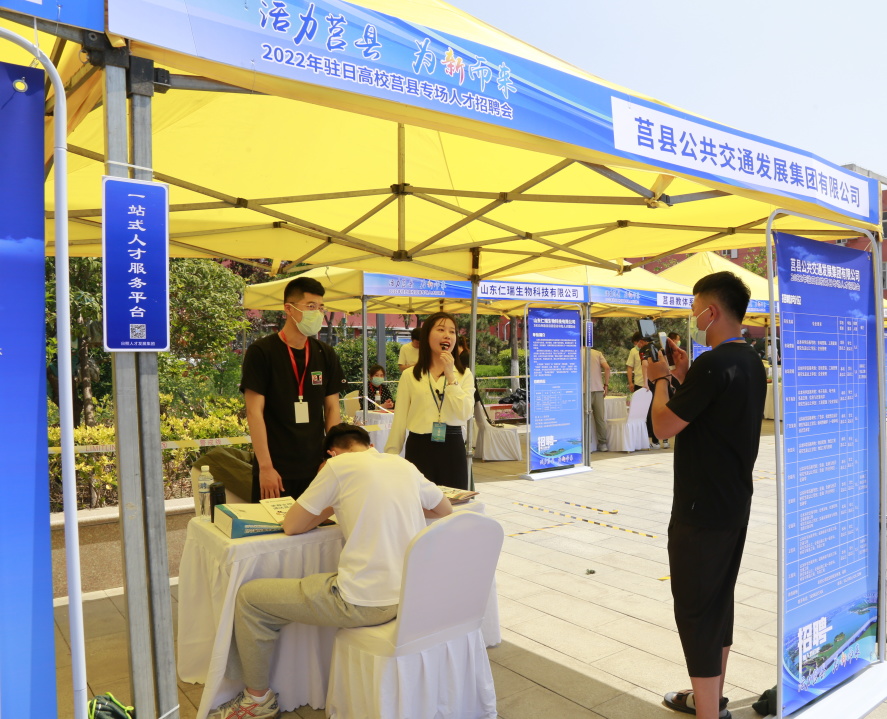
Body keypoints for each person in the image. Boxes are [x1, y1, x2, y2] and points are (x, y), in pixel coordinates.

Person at [207, 424, 452, 719]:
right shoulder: (401, 464)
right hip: (411, 597)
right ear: (370, 445)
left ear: (331, 454)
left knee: (249, 599)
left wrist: (332, 498)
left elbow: (292, 525)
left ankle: (257, 699)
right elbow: (444, 510)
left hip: (365, 602)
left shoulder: (337, 467)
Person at [644, 271, 766, 719]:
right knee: (718, 604)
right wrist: (682, 374)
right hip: (733, 504)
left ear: (711, 311)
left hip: (700, 511)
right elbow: (711, 411)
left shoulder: (712, 365)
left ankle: (708, 712)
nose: (692, 318)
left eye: (695, 309)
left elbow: (663, 426)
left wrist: (660, 380)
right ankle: (709, 700)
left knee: (696, 612)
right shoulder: (750, 361)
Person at [239, 276, 347, 502]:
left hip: (317, 466)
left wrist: (332, 458)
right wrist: (266, 467)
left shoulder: (325, 353)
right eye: (311, 306)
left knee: (320, 524)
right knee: (274, 524)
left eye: (321, 307)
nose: (317, 313)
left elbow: (332, 408)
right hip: (276, 468)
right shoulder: (262, 352)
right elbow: (254, 411)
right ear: (289, 308)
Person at [385, 312, 474, 490]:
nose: (447, 335)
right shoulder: (410, 375)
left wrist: (451, 377)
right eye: (441, 330)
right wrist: (391, 456)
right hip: (419, 447)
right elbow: (399, 419)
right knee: (419, 501)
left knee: (453, 502)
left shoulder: (464, 374)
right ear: (427, 336)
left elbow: (465, 413)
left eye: (452, 331)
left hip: (452, 447)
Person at [626, 332, 665, 449]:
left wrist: (646, 383)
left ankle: (656, 440)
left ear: (641, 341)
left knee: (647, 412)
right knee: (651, 411)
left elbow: (644, 365)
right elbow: (630, 367)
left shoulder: (643, 350)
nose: (637, 345)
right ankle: (657, 439)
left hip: (646, 384)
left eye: (637, 343)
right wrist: (631, 382)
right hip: (650, 382)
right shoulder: (656, 348)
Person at [588, 346, 611, 452]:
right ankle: (603, 444)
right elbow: (607, 368)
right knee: (600, 419)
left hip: (583, 390)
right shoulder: (597, 353)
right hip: (598, 389)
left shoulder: (575, 354)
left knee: (585, 419)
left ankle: (587, 444)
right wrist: (606, 385)